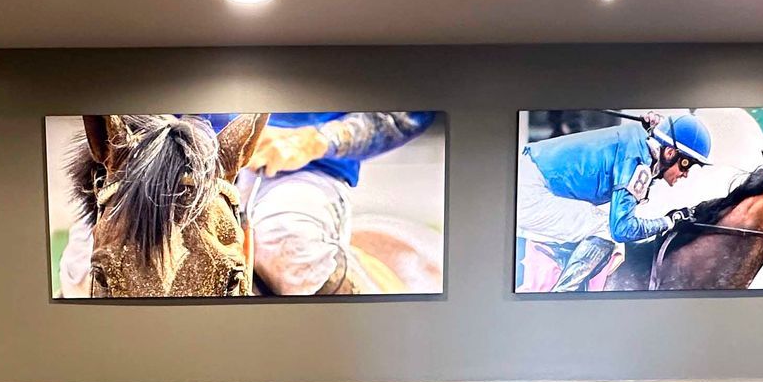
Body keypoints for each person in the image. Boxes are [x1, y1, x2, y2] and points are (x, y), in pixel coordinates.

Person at [57, 112, 435, 297]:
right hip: (173, 159)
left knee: (290, 248)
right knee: (78, 268)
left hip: (301, 165)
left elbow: (408, 111)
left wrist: (317, 140)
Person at [516, 111, 713, 292]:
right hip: (532, 189)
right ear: (670, 152)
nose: (685, 174)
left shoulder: (642, 144)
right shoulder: (638, 161)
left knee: (596, 221)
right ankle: (563, 295)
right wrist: (667, 222)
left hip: (533, 175)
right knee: (606, 229)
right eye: (687, 165)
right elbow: (621, 229)